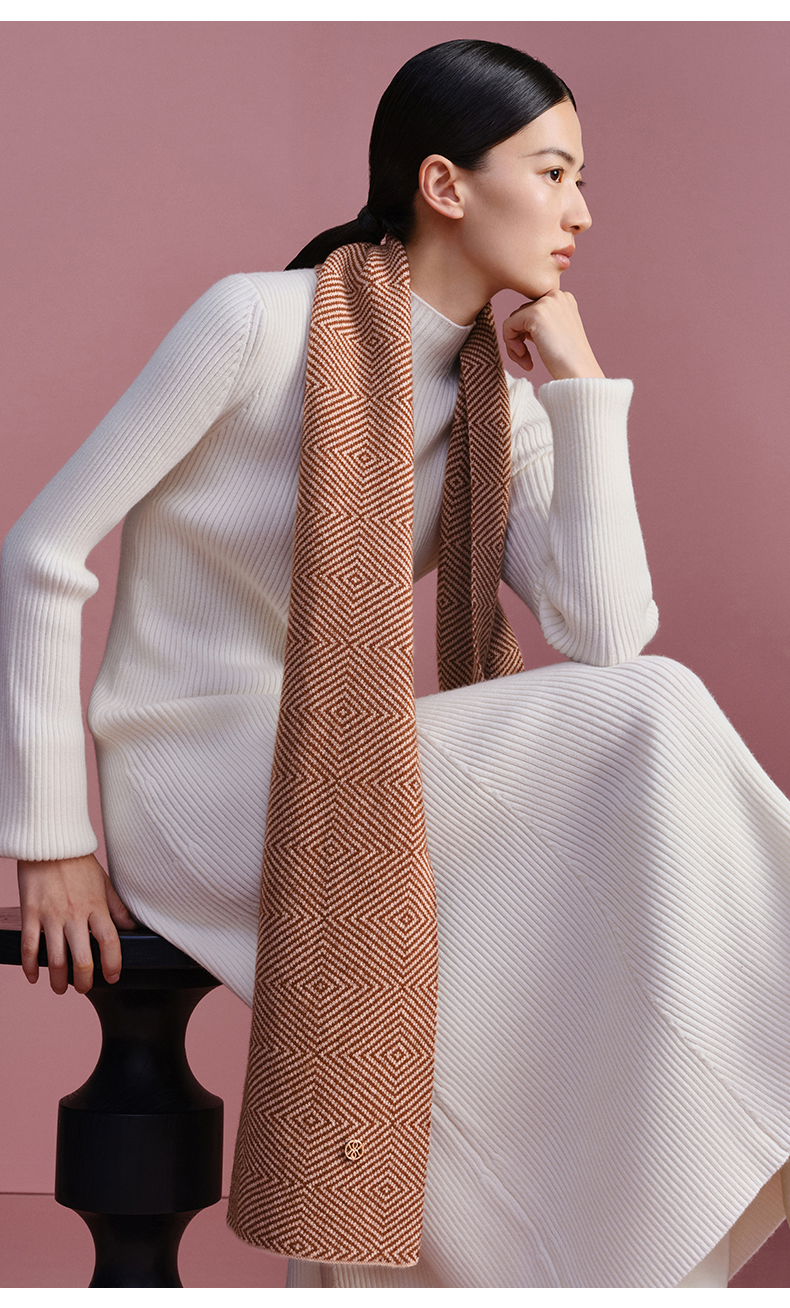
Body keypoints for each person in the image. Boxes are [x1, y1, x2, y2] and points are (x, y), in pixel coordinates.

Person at [2, 36, 790, 1289]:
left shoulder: (498, 400)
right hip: (199, 779)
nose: (581, 212)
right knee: (658, 711)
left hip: (344, 774)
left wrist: (581, 386)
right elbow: (41, 552)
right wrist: (49, 837)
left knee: (631, 742)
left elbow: (603, 636)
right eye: (553, 171)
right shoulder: (258, 325)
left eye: (583, 180)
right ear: (444, 184)